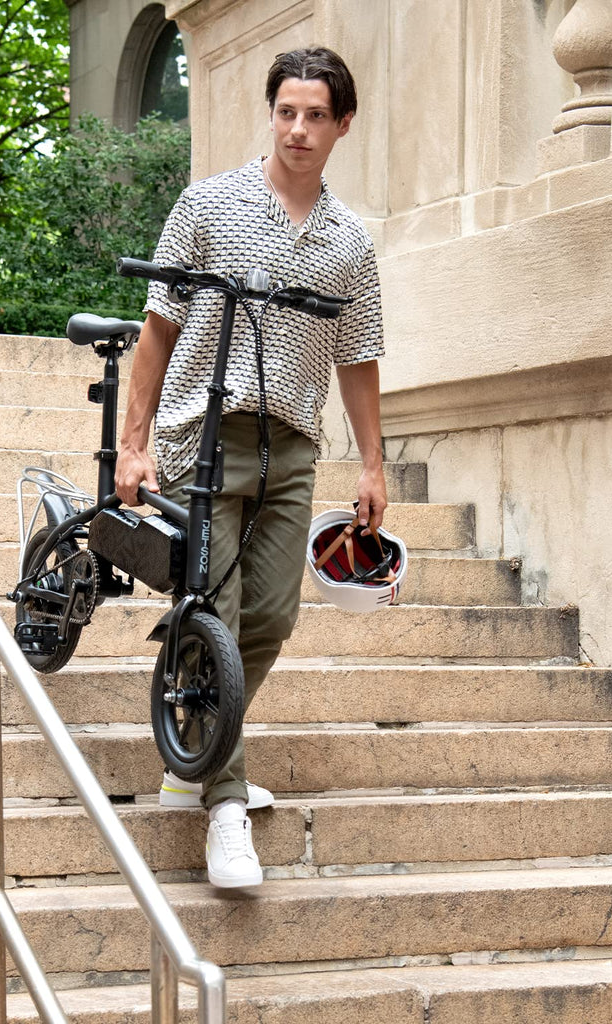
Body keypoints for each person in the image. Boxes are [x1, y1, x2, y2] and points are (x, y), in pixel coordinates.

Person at [115, 46, 387, 888]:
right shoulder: (208, 204)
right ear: (271, 114)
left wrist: (373, 465)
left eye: (316, 116)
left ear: (343, 125)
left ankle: (191, 751)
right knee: (218, 614)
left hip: (292, 446)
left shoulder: (350, 242)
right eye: (286, 112)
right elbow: (158, 327)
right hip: (204, 436)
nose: (298, 129)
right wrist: (134, 442)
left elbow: (359, 355)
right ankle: (224, 806)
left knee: (270, 615)